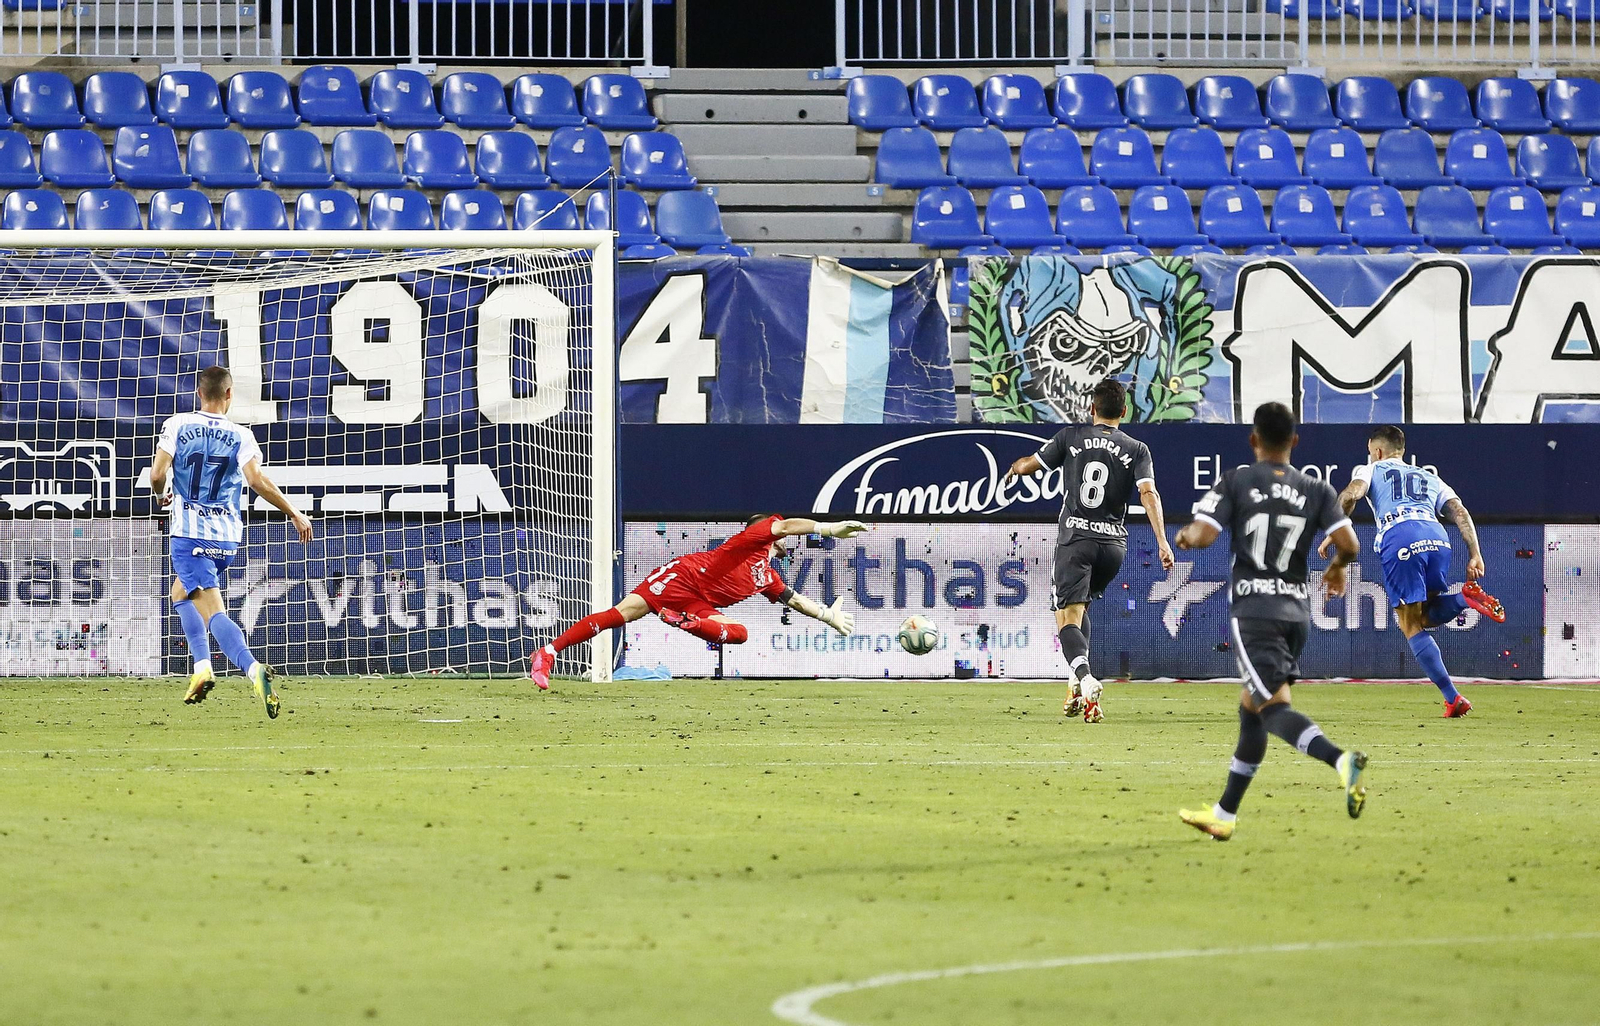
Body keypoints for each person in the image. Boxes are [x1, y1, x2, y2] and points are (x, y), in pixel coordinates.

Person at [1174, 402, 1367, 841]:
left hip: (1255, 613)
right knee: (1252, 711)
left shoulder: (1237, 480)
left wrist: (1184, 536)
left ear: (1253, 439)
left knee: (1273, 709)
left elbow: (1202, 535)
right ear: (1295, 441)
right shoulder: (1316, 488)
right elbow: (1350, 543)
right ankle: (1224, 814)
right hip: (1297, 615)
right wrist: (1337, 568)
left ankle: (1341, 761)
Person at [529, 515, 868, 690]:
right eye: (778, 535)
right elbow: (787, 526)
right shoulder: (751, 539)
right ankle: (548, 653)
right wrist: (829, 528)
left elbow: (792, 600)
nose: (786, 539)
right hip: (682, 577)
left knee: (739, 633)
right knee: (620, 615)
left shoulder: (767, 576)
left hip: (698, 602)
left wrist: (827, 616)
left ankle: (686, 623)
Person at [1005, 378, 1175, 723]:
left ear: (1091, 408)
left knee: (1065, 614)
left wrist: (1014, 468)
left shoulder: (1071, 437)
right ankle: (1076, 688)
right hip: (1113, 547)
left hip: (1076, 541)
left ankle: (1085, 679)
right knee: (1079, 610)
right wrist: (1161, 540)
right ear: (1124, 411)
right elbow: (1148, 494)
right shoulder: (1137, 449)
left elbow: (1030, 465)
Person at [148, 366, 313, 719]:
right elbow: (256, 480)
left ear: (198, 393)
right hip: (226, 540)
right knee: (180, 593)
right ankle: (202, 668)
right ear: (229, 394)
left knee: (213, 611)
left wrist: (162, 496)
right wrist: (294, 512)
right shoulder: (242, 435)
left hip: (190, 536)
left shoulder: (178, 424)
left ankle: (253, 669)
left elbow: (157, 474)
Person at [1319, 425, 1503, 719]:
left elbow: (1351, 494)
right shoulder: (1429, 476)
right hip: (1438, 538)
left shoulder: (1371, 469)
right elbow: (1459, 512)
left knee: (1409, 624)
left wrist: (1335, 530)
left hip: (1400, 537)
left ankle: (1452, 697)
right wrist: (1475, 553)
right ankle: (1463, 598)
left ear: (1377, 451)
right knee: (1425, 615)